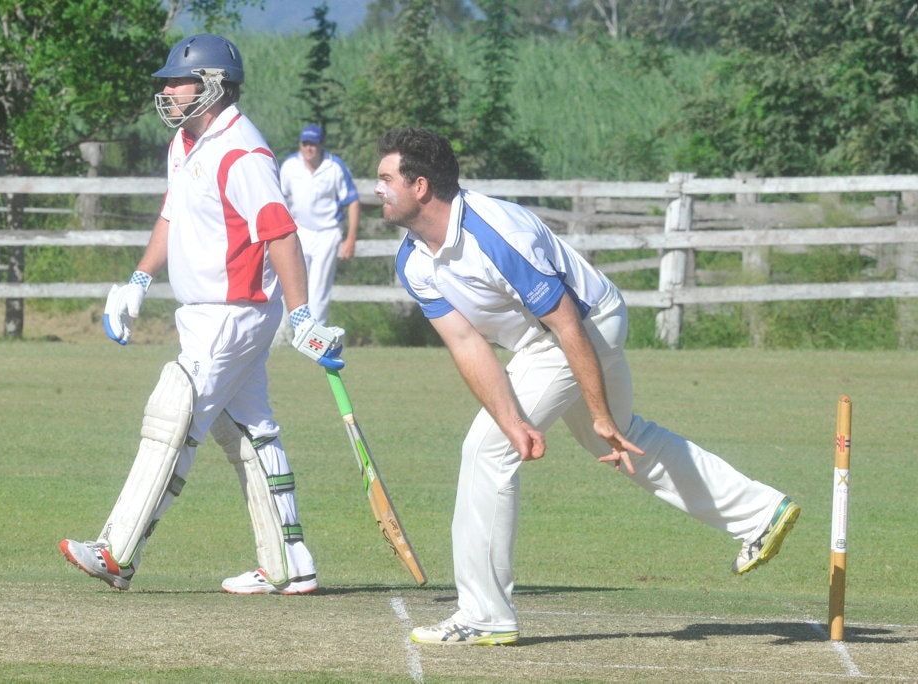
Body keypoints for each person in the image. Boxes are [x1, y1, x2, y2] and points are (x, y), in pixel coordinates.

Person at [375, 127, 801, 646]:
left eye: (385, 178)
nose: (377, 188)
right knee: (621, 439)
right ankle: (761, 512)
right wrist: (513, 420)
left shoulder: (495, 234)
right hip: (545, 341)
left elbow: (568, 325)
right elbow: (466, 344)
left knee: (486, 451)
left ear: (421, 186)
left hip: (584, 325)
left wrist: (593, 412)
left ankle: (485, 614)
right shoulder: (413, 259)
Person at [59, 34, 345, 596]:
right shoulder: (186, 142)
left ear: (212, 85)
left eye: (177, 81)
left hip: (233, 312)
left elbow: (281, 233)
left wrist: (303, 317)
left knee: (175, 408)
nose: (166, 90)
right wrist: (138, 281)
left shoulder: (242, 151)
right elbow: (173, 212)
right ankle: (291, 561)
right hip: (203, 313)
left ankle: (117, 551)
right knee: (248, 430)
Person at [279, 124, 361, 325]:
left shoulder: (334, 167)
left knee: (318, 289)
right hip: (298, 232)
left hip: (327, 234)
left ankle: (316, 336)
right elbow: (278, 198)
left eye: (313, 144)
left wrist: (350, 238)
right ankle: (286, 335)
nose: (308, 148)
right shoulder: (290, 166)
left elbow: (352, 201)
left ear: (321, 145)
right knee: (292, 284)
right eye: (305, 144)